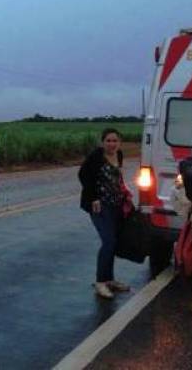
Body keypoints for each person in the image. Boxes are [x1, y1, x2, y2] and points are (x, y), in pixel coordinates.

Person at [78, 128, 133, 299]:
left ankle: (109, 279)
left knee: (114, 242)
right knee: (108, 241)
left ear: (119, 142)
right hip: (100, 206)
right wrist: (93, 197)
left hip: (116, 204)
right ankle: (100, 282)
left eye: (115, 140)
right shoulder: (96, 156)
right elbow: (83, 175)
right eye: (108, 140)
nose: (111, 144)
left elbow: (117, 178)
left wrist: (125, 194)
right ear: (103, 142)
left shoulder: (119, 155)